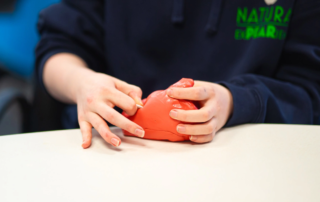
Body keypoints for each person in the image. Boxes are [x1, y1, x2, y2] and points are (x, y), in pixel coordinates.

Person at [36, 0, 320, 148]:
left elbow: (308, 90)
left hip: (243, 161)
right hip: (115, 151)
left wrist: (236, 101)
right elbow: (57, 48)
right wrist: (81, 83)